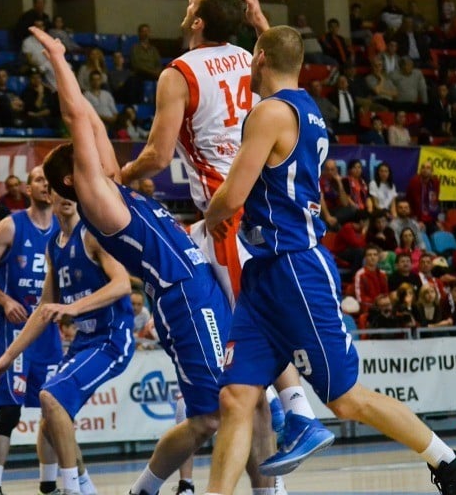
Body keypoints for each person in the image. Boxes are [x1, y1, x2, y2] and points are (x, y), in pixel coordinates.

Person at [201, 24, 456, 495]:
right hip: (264, 272)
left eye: (253, 55)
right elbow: (284, 51)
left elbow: (232, 197)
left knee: (347, 401)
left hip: (294, 267)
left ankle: (448, 462)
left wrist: (209, 218)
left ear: (260, 57)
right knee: (236, 396)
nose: (248, 62)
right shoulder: (307, 107)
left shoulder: (268, 112)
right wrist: (262, 23)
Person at [33, 25, 281, 495]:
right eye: (79, 156)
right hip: (183, 296)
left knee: (251, 394)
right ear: (72, 181)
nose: (90, 151)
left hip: (201, 278)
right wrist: (59, 60)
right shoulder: (97, 203)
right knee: (211, 416)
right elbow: (76, 118)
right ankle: (144, 489)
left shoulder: (110, 184)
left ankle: (269, 488)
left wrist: (77, 89)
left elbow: (91, 121)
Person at [119, 0, 329, 473]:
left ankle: (294, 413)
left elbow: (156, 155)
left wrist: (117, 179)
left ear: (197, 22)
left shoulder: (179, 72)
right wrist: (258, 20)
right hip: (263, 195)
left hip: (227, 205)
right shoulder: (246, 55)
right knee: (243, 320)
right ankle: (278, 417)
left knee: (250, 323)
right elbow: (282, 56)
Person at [0, 192, 134, 495]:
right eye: (59, 191)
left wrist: (73, 308)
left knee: (51, 398)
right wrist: (6, 358)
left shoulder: (93, 234)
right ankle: (82, 486)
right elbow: (42, 310)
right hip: (85, 340)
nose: (66, 198)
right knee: (48, 418)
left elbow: (122, 284)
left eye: (72, 192)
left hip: (112, 337)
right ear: (50, 196)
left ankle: (72, 489)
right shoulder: (55, 245)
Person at [0, 165, 62, 495]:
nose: (45, 185)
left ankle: (49, 483)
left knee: (53, 409)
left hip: (48, 331)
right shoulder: (11, 225)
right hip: (12, 330)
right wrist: (4, 299)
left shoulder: (63, 229)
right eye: (39, 179)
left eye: (49, 181)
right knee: (10, 410)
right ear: (28, 189)